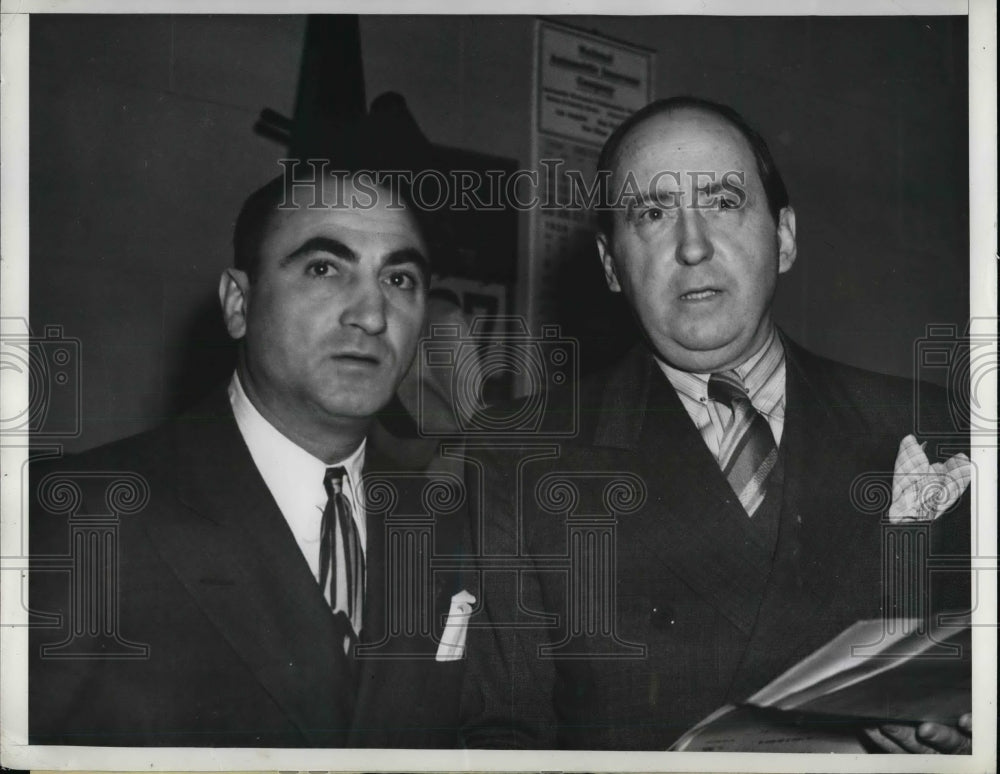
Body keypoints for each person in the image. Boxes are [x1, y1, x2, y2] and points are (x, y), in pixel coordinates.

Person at [459, 96, 970, 752]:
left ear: (784, 237)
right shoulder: (516, 453)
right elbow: (504, 741)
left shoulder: (933, 425)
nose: (693, 246)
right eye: (651, 213)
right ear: (612, 264)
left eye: (724, 202)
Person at [29, 170, 470, 748]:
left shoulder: (459, 523)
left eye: (399, 278)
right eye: (323, 268)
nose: (371, 314)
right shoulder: (80, 514)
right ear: (239, 303)